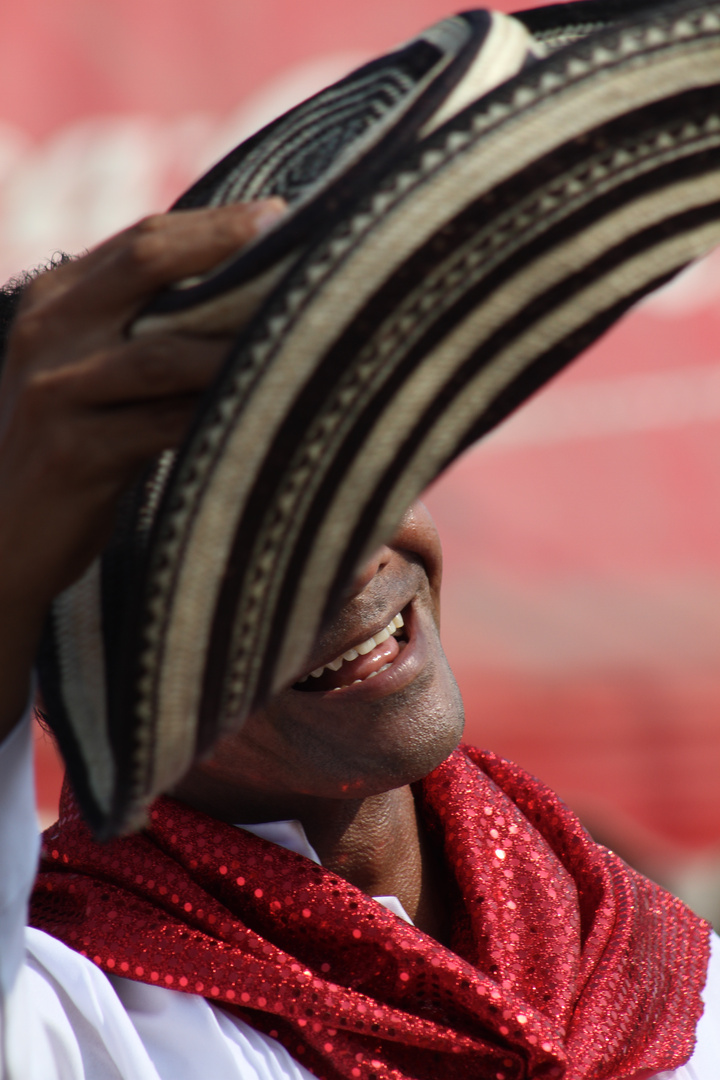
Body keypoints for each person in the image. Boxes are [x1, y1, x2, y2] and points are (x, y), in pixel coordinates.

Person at [0, 201, 718, 1080]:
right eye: (221, 548)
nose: (342, 563)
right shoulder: (76, 1020)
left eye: (341, 466)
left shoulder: (655, 970)